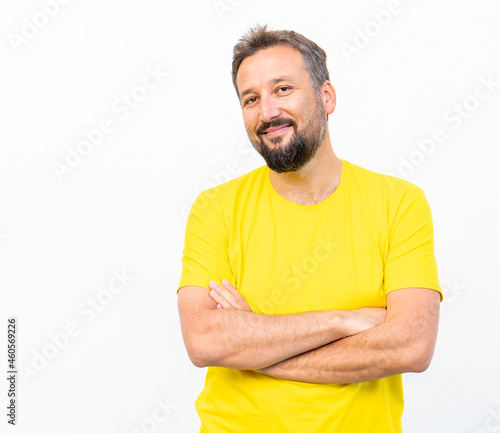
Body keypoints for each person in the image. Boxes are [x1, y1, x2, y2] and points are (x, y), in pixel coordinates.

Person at [177, 24, 442, 433]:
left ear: (326, 96)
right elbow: (204, 340)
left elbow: (411, 345)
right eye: (251, 98)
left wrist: (256, 347)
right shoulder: (216, 209)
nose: (266, 113)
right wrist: (342, 321)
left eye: (283, 89)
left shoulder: (399, 202)